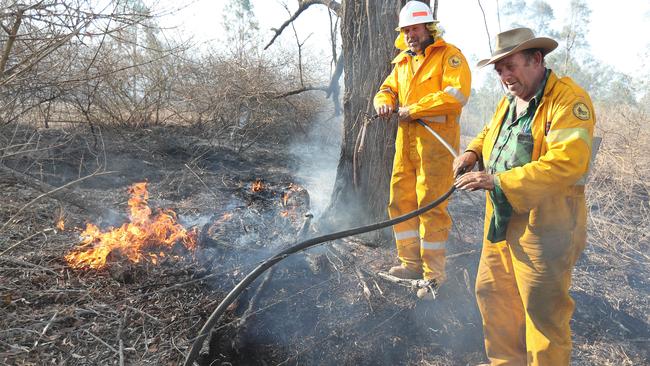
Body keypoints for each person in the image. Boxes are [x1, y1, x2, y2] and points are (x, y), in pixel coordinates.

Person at [453, 27, 595, 365]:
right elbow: (492, 130)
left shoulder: (568, 100)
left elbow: (567, 162)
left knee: (543, 317)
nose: (504, 75)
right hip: (501, 221)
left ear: (536, 59)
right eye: (499, 69)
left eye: (510, 66)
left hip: (546, 229)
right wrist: (473, 151)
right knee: (493, 296)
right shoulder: (512, 98)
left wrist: (497, 181)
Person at [373, 1, 471, 286]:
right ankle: (410, 264)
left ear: (428, 28)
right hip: (406, 147)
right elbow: (387, 88)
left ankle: (433, 276)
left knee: (431, 208)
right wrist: (384, 101)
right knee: (400, 202)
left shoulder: (450, 57)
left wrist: (414, 109)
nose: (410, 34)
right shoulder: (402, 61)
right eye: (406, 30)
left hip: (436, 150)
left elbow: (456, 96)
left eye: (414, 28)